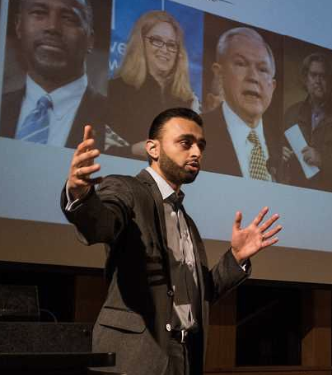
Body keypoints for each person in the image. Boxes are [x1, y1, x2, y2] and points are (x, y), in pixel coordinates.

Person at [62, 108, 281, 375]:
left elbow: (203, 293)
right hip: (135, 355)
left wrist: (236, 258)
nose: (196, 153)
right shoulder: (126, 189)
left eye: (200, 145)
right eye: (185, 143)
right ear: (153, 149)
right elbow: (100, 225)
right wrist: (81, 196)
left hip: (185, 354)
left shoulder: (186, 221)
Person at [0, 0, 105, 148]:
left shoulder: (113, 118)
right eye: (39, 13)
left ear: (90, 40)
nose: (52, 27)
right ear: (18, 26)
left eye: (68, 18)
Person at [106, 10, 199, 159]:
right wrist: (133, 150)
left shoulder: (189, 102)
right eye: (156, 40)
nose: (164, 50)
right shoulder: (113, 91)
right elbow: (97, 151)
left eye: (171, 45)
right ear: (141, 43)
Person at [201, 27, 283, 181]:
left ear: (272, 86)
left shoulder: (283, 145)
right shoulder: (194, 133)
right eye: (241, 64)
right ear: (219, 74)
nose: (253, 77)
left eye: (263, 69)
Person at [284, 53, 332, 194]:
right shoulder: (291, 114)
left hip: (330, 198)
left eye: (323, 76)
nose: (318, 80)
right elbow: (277, 151)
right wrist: (281, 155)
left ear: (330, 81)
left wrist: (322, 160)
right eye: (314, 75)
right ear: (306, 79)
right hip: (294, 195)